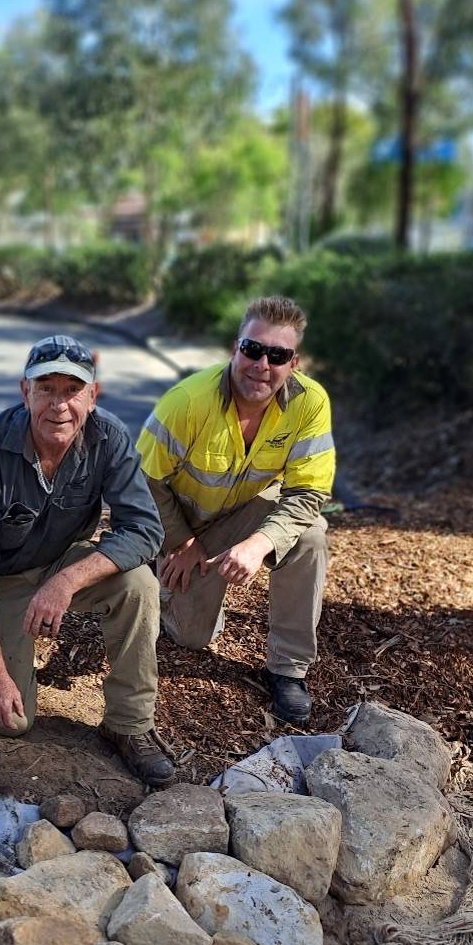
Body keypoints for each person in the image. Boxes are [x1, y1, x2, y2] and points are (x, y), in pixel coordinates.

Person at [0, 334, 175, 786]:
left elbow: (146, 529)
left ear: (92, 396)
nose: (59, 405)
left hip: (63, 562)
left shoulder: (109, 436)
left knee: (140, 585)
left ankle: (128, 724)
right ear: (24, 392)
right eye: (46, 388)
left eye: (72, 390)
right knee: (9, 723)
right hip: (3, 578)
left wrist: (66, 581)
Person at [136, 294, 335, 724]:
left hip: (249, 513)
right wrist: (182, 542)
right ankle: (165, 582)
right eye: (253, 349)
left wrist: (260, 542)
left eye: (277, 355)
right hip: (183, 524)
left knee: (312, 535)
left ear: (293, 363)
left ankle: (288, 670)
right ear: (236, 347)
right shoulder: (187, 401)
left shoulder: (310, 404)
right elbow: (142, 480)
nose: (263, 364)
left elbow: (308, 493)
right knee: (191, 637)